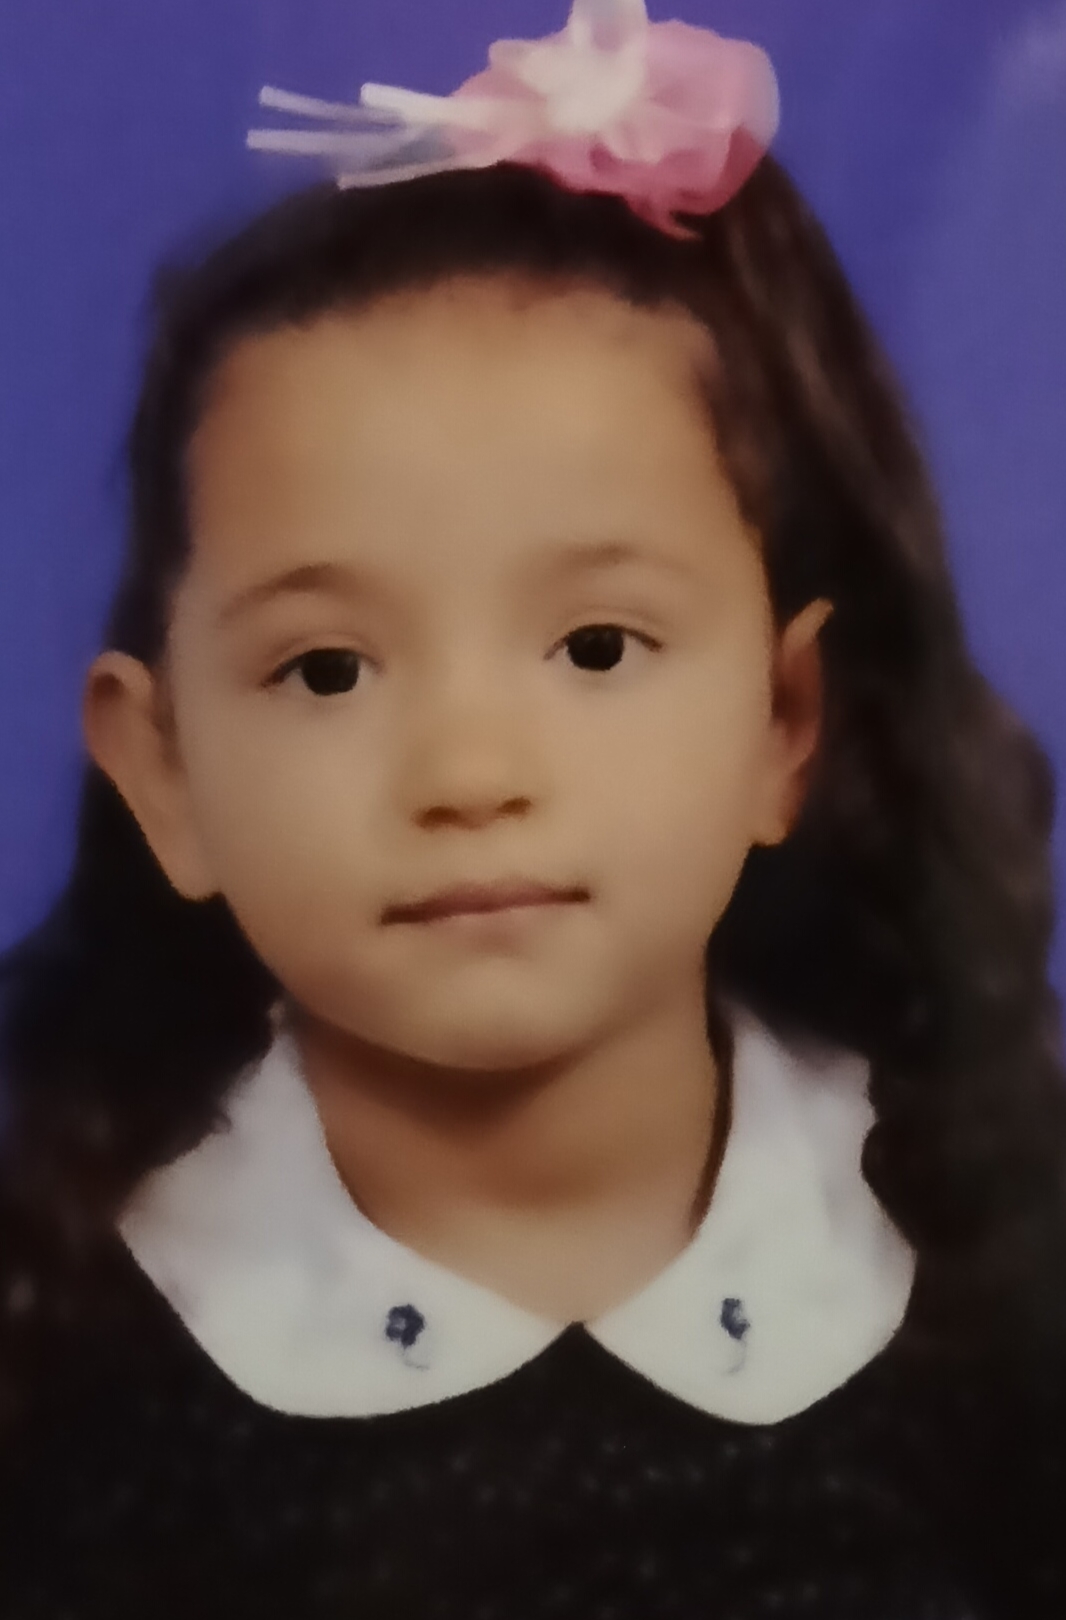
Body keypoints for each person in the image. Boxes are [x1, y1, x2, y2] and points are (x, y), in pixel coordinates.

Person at [1, 2, 1064, 1614]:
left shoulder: (978, 1265)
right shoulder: (69, 1352)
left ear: (787, 725)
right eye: (328, 670)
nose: (468, 775)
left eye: (595, 648)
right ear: (164, 773)